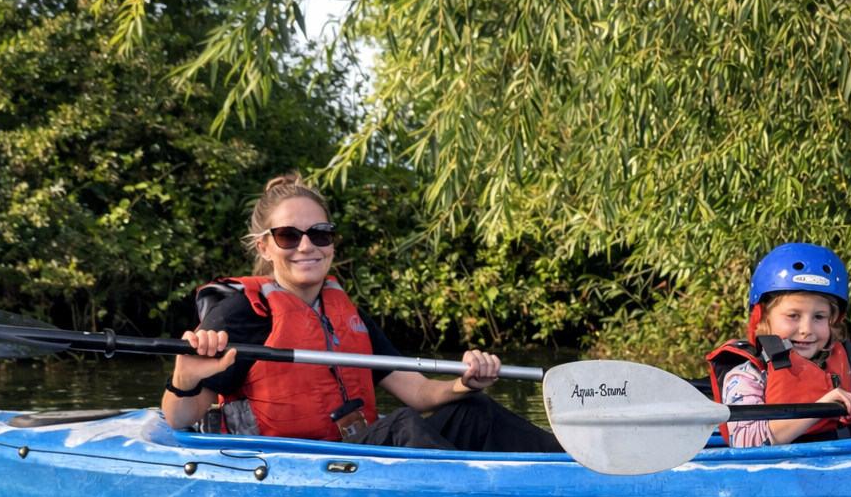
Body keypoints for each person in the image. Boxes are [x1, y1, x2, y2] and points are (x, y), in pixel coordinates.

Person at [160, 172, 561, 453]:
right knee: (402, 426)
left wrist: (467, 383)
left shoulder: (349, 316)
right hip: (293, 465)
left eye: (320, 233)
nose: (306, 246)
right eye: (288, 235)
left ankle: (577, 468)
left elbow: (421, 393)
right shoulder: (239, 315)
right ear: (264, 247)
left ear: (332, 242)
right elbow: (179, 418)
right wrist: (185, 377)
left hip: (355, 458)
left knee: (473, 411)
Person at [705, 243, 851, 447]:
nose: (807, 329)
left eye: (818, 317)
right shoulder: (747, 376)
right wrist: (821, 409)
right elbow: (745, 443)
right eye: (793, 315)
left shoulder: (832, 372)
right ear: (762, 319)